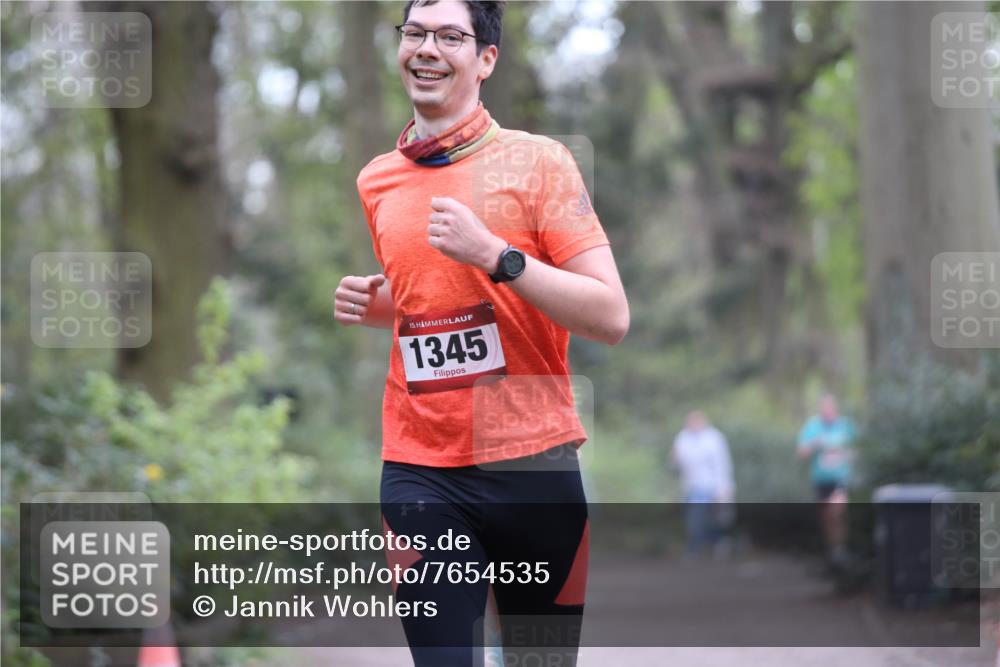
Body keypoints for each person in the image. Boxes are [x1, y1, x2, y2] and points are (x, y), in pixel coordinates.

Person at [333, 2, 629, 665]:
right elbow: (438, 308)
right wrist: (379, 301)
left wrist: (497, 254)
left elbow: (610, 315)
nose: (426, 48)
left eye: (449, 36)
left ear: (486, 58)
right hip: (420, 468)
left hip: (532, 462)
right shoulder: (377, 180)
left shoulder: (540, 163)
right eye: (414, 33)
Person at [797, 393, 856, 568]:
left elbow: (858, 448)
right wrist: (815, 444)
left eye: (830, 408)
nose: (828, 411)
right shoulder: (813, 426)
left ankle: (840, 549)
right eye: (824, 409)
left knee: (838, 510)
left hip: (841, 478)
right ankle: (832, 549)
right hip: (821, 480)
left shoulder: (846, 426)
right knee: (827, 517)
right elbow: (801, 452)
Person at [671, 411, 735, 557]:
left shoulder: (714, 438)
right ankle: (696, 547)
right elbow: (676, 461)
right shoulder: (683, 437)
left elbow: (722, 463)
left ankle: (711, 545)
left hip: (712, 485)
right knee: (695, 518)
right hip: (691, 485)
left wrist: (724, 486)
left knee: (712, 519)